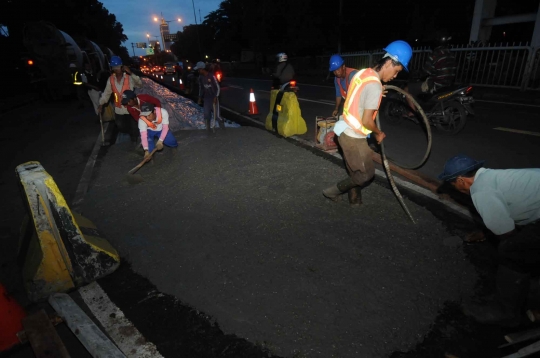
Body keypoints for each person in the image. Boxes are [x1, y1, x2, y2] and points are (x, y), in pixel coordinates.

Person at [438, 155, 540, 326]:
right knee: (526, 247)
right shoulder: (491, 176)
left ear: (461, 180)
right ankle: (530, 291)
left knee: (510, 253)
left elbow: (507, 234)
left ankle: (506, 311)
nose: (454, 189)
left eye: (452, 184)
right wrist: (487, 232)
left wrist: (500, 235)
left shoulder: (481, 191)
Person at [322, 40, 412, 207]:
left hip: (342, 128)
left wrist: (377, 91)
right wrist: (378, 133)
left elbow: (359, 92)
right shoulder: (375, 86)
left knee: (355, 168)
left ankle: (354, 198)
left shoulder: (363, 73)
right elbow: (366, 120)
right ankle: (332, 191)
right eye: (397, 71)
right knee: (366, 174)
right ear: (390, 62)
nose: (395, 76)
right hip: (353, 136)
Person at [405, 32, 457, 112]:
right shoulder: (451, 54)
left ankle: (412, 112)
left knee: (407, 89)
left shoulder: (435, 54)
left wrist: (417, 74)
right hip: (448, 84)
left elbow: (426, 71)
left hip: (436, 84)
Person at [98, 56, 143, 144]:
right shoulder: (110, 79)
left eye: (118, 67)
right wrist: (101, 104)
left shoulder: (129, 78)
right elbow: (106, 93)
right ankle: (131, 133)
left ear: (122, 67)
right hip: (119, 109)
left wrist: (131, 73)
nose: (116, 69)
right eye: (114, 67)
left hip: (131, 107)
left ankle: (134, 141)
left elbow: (140, 84)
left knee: (134, 127)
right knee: (121, 127)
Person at [195, 61, 225, 133]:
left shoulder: (212, 76)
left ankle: (223, 128)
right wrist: (200, 97)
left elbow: (218, 87)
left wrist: (216, 97)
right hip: (206, 99)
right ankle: (208, 130)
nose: (198, 71)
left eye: (198, 69)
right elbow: (201, 88)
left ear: (202, 69)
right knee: (206, 114)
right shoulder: (200, 78)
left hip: (214, 98)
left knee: (217, 116)